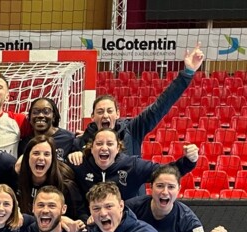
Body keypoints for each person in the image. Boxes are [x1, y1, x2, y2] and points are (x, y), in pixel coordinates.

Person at [73, 43, 205, 158]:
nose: (105, 115)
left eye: (109, 111)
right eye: (100, 112)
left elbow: (161, 106)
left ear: (117, 114)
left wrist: (187, 73)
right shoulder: (82, 141)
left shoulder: (133, 130)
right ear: (92, 117)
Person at [70, 128, 197, 204]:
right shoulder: (80, 165)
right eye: (99, 143)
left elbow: (167, 172)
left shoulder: (133, 166)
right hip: (88, 225)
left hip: (125, 227)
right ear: (91, 148)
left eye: (109, 143)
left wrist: (189, 160)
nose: (104, 147)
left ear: (118, 148)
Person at [17, 135, 86, 221]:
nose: (41, 158)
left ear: (53, 159)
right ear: (27, 157)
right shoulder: (17, 181)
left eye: (46, 154)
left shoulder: (66, 186)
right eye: (36, 153)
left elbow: (81, 216)